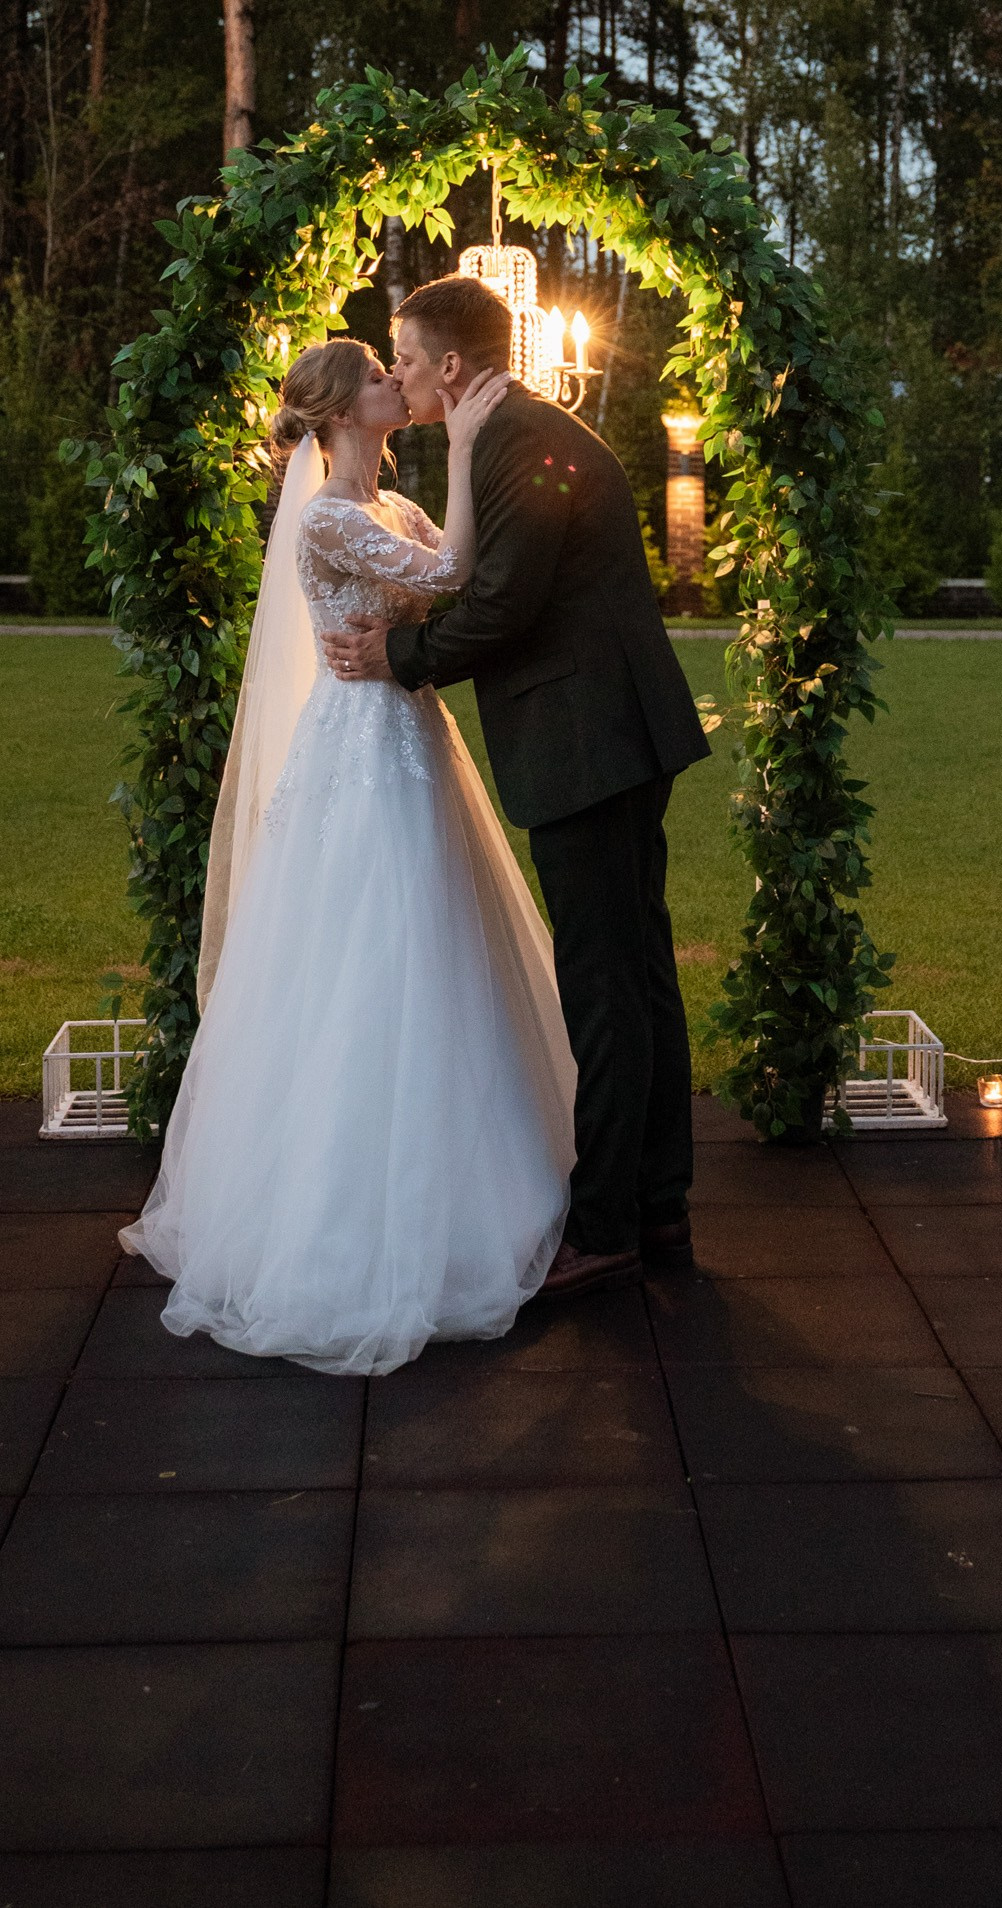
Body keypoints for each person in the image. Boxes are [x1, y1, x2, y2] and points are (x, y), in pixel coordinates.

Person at [119, 337, 577, 1376]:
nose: (393, 384)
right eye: (378, 374)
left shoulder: (392, 509)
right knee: (364, 950)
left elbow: (453, 583)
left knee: (438, 943)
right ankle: (335, 1223)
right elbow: (451, 571)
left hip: (412, 739)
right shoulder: (329, 514)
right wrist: (465, 444)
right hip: (357, 747)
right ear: (336, 409)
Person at [321, 273, 712, 1300]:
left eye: (402, 356)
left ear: (449, 364)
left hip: (590, 743)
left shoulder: (519, 440)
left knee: (604, 985)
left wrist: (396, 656)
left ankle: (607, 1225)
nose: (395, 373)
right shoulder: (505, 435)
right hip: (609, 736)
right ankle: (654, 1202)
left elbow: (500, 603)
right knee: (634, 974)